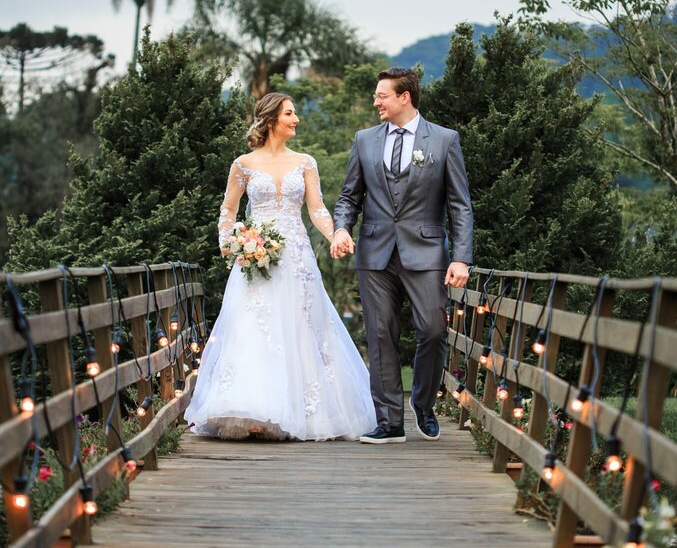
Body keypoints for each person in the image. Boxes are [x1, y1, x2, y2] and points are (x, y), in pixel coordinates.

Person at [185, 93, 377, 441]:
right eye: (290, 113)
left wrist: (335, 234)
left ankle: (301, 411)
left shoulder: (305, 162)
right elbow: (228, 210)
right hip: (254, 259)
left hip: (296, 257)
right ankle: (252, 410)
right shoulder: (243, 164)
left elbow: (316, 208)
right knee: (254, 327)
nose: (296, 119)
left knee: (300, 326)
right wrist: (231, 243)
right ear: (272, 119)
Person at [331, 67, 473, 444]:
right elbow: (349, 196)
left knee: (433, 329)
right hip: (374, 251)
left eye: (382, 95)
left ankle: (423, 403)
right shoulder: (364, 141)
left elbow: (459, 205)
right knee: (380, 334)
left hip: (426, 252)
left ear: (404, 97)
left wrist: (461, 257)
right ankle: (389, 420)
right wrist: (341, 228)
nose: (376, 101)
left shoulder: (444, 140)